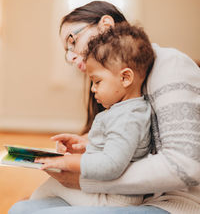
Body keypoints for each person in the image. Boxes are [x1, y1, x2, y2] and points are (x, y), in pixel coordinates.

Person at [9, 1, 200, 214]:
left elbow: (185, 167)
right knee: (19, 209)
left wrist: (86, 178)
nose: (70, 57)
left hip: (171, 202)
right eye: (66, 52)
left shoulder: (170, 65)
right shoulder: (116, 87)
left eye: (72, 41)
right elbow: (131, 142)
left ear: (106, 25)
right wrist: (89, 143)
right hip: (130, 195)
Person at [29, 22, 154, 207]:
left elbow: (111, 164)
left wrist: (70, 162)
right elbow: (116, 148)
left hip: (113, 200)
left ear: (126, 78)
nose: (93, 89)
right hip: (107, 192)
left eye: (97, 81)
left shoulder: (128, 118)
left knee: (51, 187)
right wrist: (85, 145)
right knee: (49, 189)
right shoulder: (125, 111)